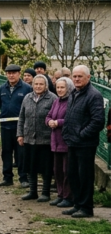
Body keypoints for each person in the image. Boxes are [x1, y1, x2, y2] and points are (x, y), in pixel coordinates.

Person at [61, 65, 103, 218]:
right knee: (73, 175)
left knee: (85, 176)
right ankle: (77, 204)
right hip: (72, 142)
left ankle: (86, 207)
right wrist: (67, 133)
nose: (77, 79)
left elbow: (98, 121)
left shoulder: (94, 95)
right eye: (75, 76)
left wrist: (81, 134)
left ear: (88, 77)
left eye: (80, 76)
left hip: (85, 144)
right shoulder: (74, 93)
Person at [17, 75, 54, 201]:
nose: (38, 86)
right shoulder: (27, 97)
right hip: (29, 138)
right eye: (36, 84)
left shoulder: (52, 98)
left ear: (46, 86)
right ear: (32, 85)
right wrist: (20, 134)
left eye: (41, 84)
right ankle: (33, 192)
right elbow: (21, 117)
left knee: (45, 168)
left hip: (45, 140)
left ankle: (45, 193)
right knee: (30, 166)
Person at [0, 64, 30, 187]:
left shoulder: (27, 89)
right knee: (6, 152)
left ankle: (23, 178)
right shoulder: (2, 88)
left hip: (20, 127)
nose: (11, 75)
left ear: (19, 74)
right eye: (9, 73)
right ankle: (7, 178)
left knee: (21, 153)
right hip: (5, 126)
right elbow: (0, 103)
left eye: (14, 73)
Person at [46, 77, 72, 208]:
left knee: (66, 171)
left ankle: (68, 196)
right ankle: (60, 194)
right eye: (58, 87)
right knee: (57, 171)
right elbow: (48, 115)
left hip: (66, 141)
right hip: (55, 141)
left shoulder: (71, 101)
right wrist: (49, 121)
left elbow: (71, 119)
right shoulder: (56, 101)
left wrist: (58, 122)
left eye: (62, 87)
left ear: (68, 88)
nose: (60, 90)